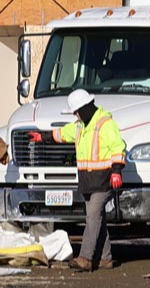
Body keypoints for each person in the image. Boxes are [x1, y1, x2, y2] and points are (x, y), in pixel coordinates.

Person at [33, 90, 125, 271]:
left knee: (92, 217)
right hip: (88, 181)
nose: (76, 115)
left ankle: (85, 258)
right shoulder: (79, 126)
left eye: (76, 111)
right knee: (98, 219)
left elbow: (118, 147)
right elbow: (61, 134)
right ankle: (106, 259)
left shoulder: (105, 124)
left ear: (85, 107)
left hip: (103, 180)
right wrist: (41, 137)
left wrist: (116, 171)